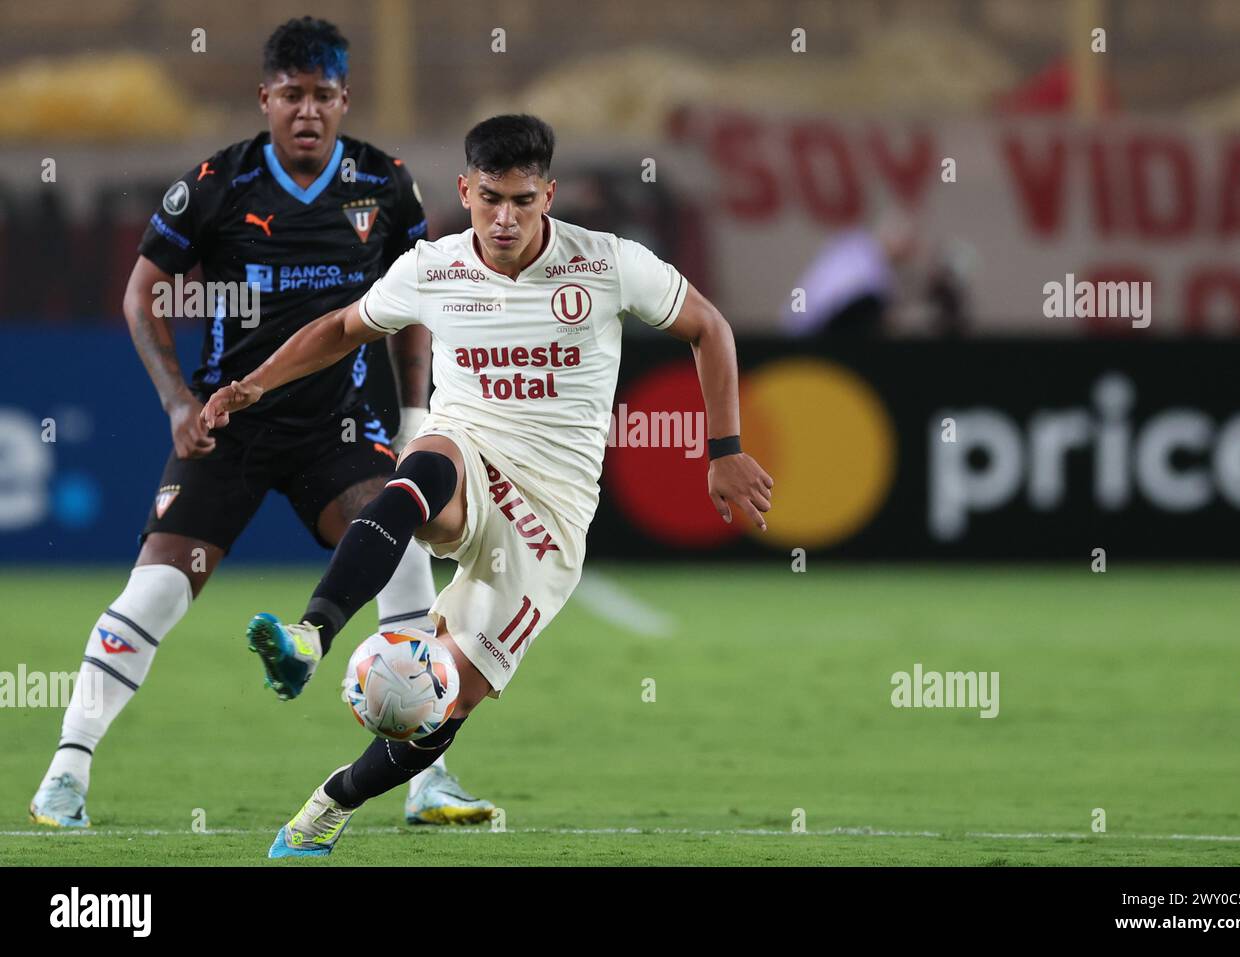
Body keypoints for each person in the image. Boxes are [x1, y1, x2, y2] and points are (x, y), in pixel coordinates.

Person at [200, 114, 774, 857]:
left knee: (444, 698)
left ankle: (331, 802)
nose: (506, 219)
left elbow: (709, 328)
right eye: (491, 198)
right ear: (466, 189)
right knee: (422, 466)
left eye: (525, 201)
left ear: (549, 195)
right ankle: (312, 635)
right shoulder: (432, 267)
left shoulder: (606, 264)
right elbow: (344, 328)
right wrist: (253, 384)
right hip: (468, 448)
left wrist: (723, 448)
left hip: (551, 509)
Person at [29, 16, 491, 831]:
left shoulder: (384, 184)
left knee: (403, 552)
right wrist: (177, 400)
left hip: (339, 428)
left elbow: (419, 298)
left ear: (345, 99)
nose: (307, 110)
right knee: (160, 588)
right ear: (265, 98)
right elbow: (142, 293)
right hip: (228, 425)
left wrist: (416, 409)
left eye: (322, 95)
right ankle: (66, 771)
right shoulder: (217, 184)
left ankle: (431, 776)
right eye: (291, 95)